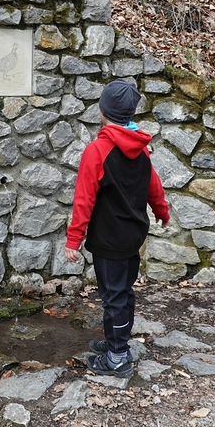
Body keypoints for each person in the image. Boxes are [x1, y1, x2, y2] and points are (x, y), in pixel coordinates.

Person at [64, 79, 170, 379]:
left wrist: (73, 239)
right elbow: (154, 186)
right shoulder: (141, 147)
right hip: (132, 235)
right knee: (122, 292)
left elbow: (84, 199)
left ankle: (117, 357)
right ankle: (116, 341)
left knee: (113, 297)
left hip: (108, 239)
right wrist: (162, 212)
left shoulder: (97, 150)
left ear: (102, 110)